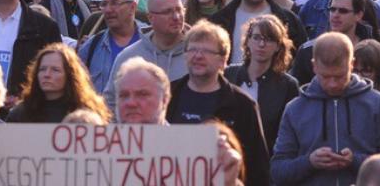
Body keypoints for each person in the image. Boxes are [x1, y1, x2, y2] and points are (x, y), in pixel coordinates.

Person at [271, 32, 380, 185]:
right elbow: (278, 170)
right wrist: (309, 162)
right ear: (314, 66)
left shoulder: (377, 104)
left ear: (351, 64)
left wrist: (355, 161)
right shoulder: (295, 109)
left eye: (340, 76)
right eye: (325, 77)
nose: (333, 84)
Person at [167, 20, 270, 185]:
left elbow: (258, 169)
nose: (198, 56)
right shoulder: (167, 96)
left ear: (223, 59)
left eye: (207, 51)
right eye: (193, 49)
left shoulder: (242, 104)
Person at [224, 14, 300, 154]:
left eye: (269, 39)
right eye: (257, 37)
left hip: (266, 161)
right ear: (248, 41)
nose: (261, 44)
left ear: (278, 46)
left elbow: (289, 133)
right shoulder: (228, 74)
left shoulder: (288, 85)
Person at [103, 0, 188, 110]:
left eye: (179, 10)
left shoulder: (198, 55)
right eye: (167, 12)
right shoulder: (128, 57)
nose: (176, 17)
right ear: (151, 17)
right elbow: (110, 104)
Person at [6, 43, 109, 123]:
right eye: (42, 69)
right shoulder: (20, 114)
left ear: (70, 75)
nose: (47, 74)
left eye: (55, 70)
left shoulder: (87, 113)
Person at [77, 0, 143, 94]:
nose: (108, 10)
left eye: (114, 3)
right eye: (104, 4)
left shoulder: (151, 40)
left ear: (132, 7)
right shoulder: (91, 46)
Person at [112, 57, 172, 124]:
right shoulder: (104, 134)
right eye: (124, 95)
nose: (131, 103)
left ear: (164, 100)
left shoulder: (183, 134)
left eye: (142, 94)